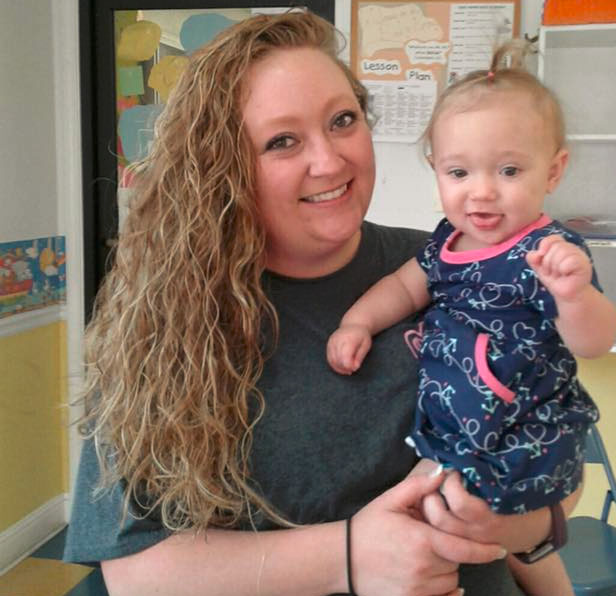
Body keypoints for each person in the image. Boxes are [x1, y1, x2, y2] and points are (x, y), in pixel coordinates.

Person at [62, 11, 564, 596]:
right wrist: (348, 556)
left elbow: (545, 464)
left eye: (342, 120)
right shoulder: (165, 318)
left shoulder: (455, 265)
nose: (329, 162)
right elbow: (133, 568)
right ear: (222, 169)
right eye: (282, 141)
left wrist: (527, 525)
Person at [327, 41, 616, 596]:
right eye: (460, 171)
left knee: (494, 532)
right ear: (436, 169)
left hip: (524, 430)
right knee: (436, 521)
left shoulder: (550, 252)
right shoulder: (445, 246)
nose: (481, 191)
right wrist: (357, 324)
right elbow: (401, 287)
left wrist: (576, 296)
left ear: (554, 170)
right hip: (454, 429)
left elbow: (594, 342)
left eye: (509, 169)